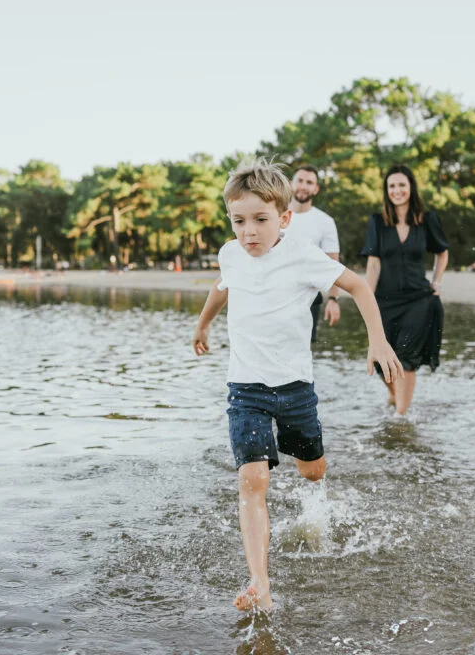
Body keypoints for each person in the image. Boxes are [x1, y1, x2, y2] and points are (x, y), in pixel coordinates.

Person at [192, 159, 402, 612]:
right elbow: (220, 287)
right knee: (252, 480)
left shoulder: (303, 254)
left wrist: (377, 341)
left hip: (295, 389)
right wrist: (203, 325)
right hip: (245, 387)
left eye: (260, 220)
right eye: (239, 221)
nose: (249, 231)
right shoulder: (231, 253)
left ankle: (316, 502)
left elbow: (360, 287)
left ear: (284, 218)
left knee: (312, 470)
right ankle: (260, 584)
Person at [360, 164, 449, 417]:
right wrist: (368, 299)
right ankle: (394, 394)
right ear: (386, 191)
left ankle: (400, 419)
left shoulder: (427, 219)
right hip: (385, 300)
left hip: (418, 300)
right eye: (392, 186)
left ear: (411, 187)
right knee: (380, 358)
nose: (397, 190)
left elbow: (442, 252)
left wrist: (437, 282)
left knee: (406, 357)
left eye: (401, 185)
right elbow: (373, 263)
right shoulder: (377, 222)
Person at [285, 165, 342, 341]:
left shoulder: (325, 222)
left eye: (309, 182)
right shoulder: (274, 215)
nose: (303, 186)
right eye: (299, 180)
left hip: (308, 299)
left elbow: (333, 264)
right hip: (273, 294)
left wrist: (333, 299)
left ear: (316, 189)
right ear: (290, 184)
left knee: (302, 355)